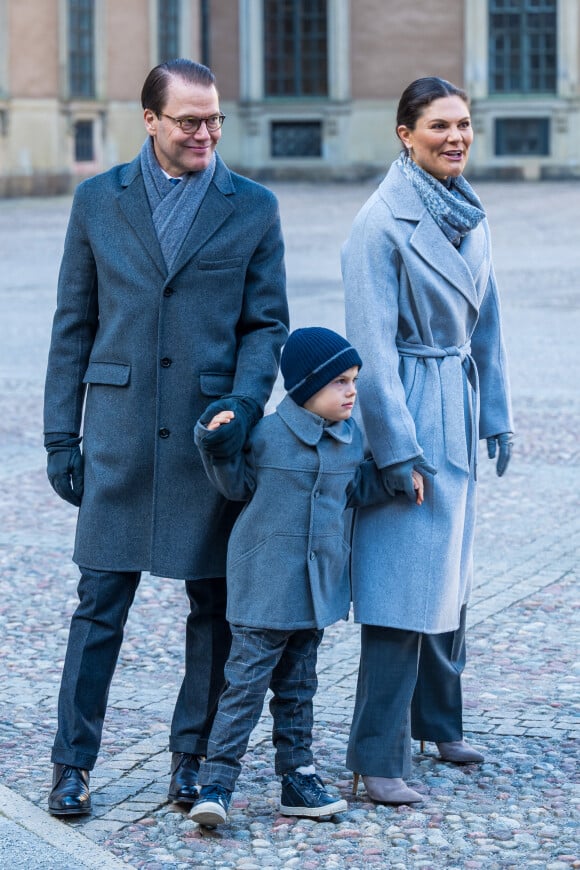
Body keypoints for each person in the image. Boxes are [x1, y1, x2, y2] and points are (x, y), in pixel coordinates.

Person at [43, 58, 289, 816]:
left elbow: (265, 325)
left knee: (211, 608)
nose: (206, 133)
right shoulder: (97, 201)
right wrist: (61, 434)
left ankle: (193, 759)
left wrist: (245, 408)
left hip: (205, 441)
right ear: (149, 120)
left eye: (214, 119)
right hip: (117, 433)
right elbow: (73, 324)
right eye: (190, 121)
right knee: (98, 609)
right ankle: (71, 766)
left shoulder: (252, 206)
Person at [341, 76, 514, 805]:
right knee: (402, 585)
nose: (456, 137)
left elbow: (488, 326)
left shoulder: (468, 213)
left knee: (451, 576)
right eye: (439, 126)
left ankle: (438, 720)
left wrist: (496, 413)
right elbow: (372, 352)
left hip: (457, 397)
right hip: (410, 404)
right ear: (404, 135)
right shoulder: (379, 224)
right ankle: (374, 758)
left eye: (464, 124)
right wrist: (397, 451)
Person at [188, 327, 424, 828]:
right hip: (263, 588)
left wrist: (398, 478)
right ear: (306, 386)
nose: (352, 391)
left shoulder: (349, 439)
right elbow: (234, 485)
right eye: (340, 380)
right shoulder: (267, 435)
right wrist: (213, 441)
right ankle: (217, 784)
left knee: (298, 688)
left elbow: (355, 488)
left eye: (354, 379)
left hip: (316, 592)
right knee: (244, 688)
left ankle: (298, 777)